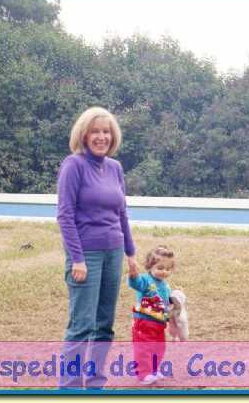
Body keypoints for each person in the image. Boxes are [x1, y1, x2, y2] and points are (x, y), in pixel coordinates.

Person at [57, 106, 137, 389]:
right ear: (83, 135)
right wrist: (77, 259)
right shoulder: (73, 165)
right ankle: (69, 388)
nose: (101, 137)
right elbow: (65, 215)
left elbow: (122, 213)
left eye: (106, 131)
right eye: (95, 131)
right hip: (86, 256)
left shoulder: (115, 168)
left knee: (104, 324)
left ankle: (95, 385)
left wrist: (130, 253)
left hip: (113, 253)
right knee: (82, 326)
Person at [128, 245, 176, 385]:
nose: (164, 272)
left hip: (159, 323)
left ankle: (154, 369)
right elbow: (136, 283)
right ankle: (144, 374)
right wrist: (133, 275)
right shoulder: (146, 280)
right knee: (144, 348)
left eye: (168, 269)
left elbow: (166, 303)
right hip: (144, 322)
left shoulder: (165, 285)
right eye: (160, 268)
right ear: (150, 267)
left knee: (158, 347)